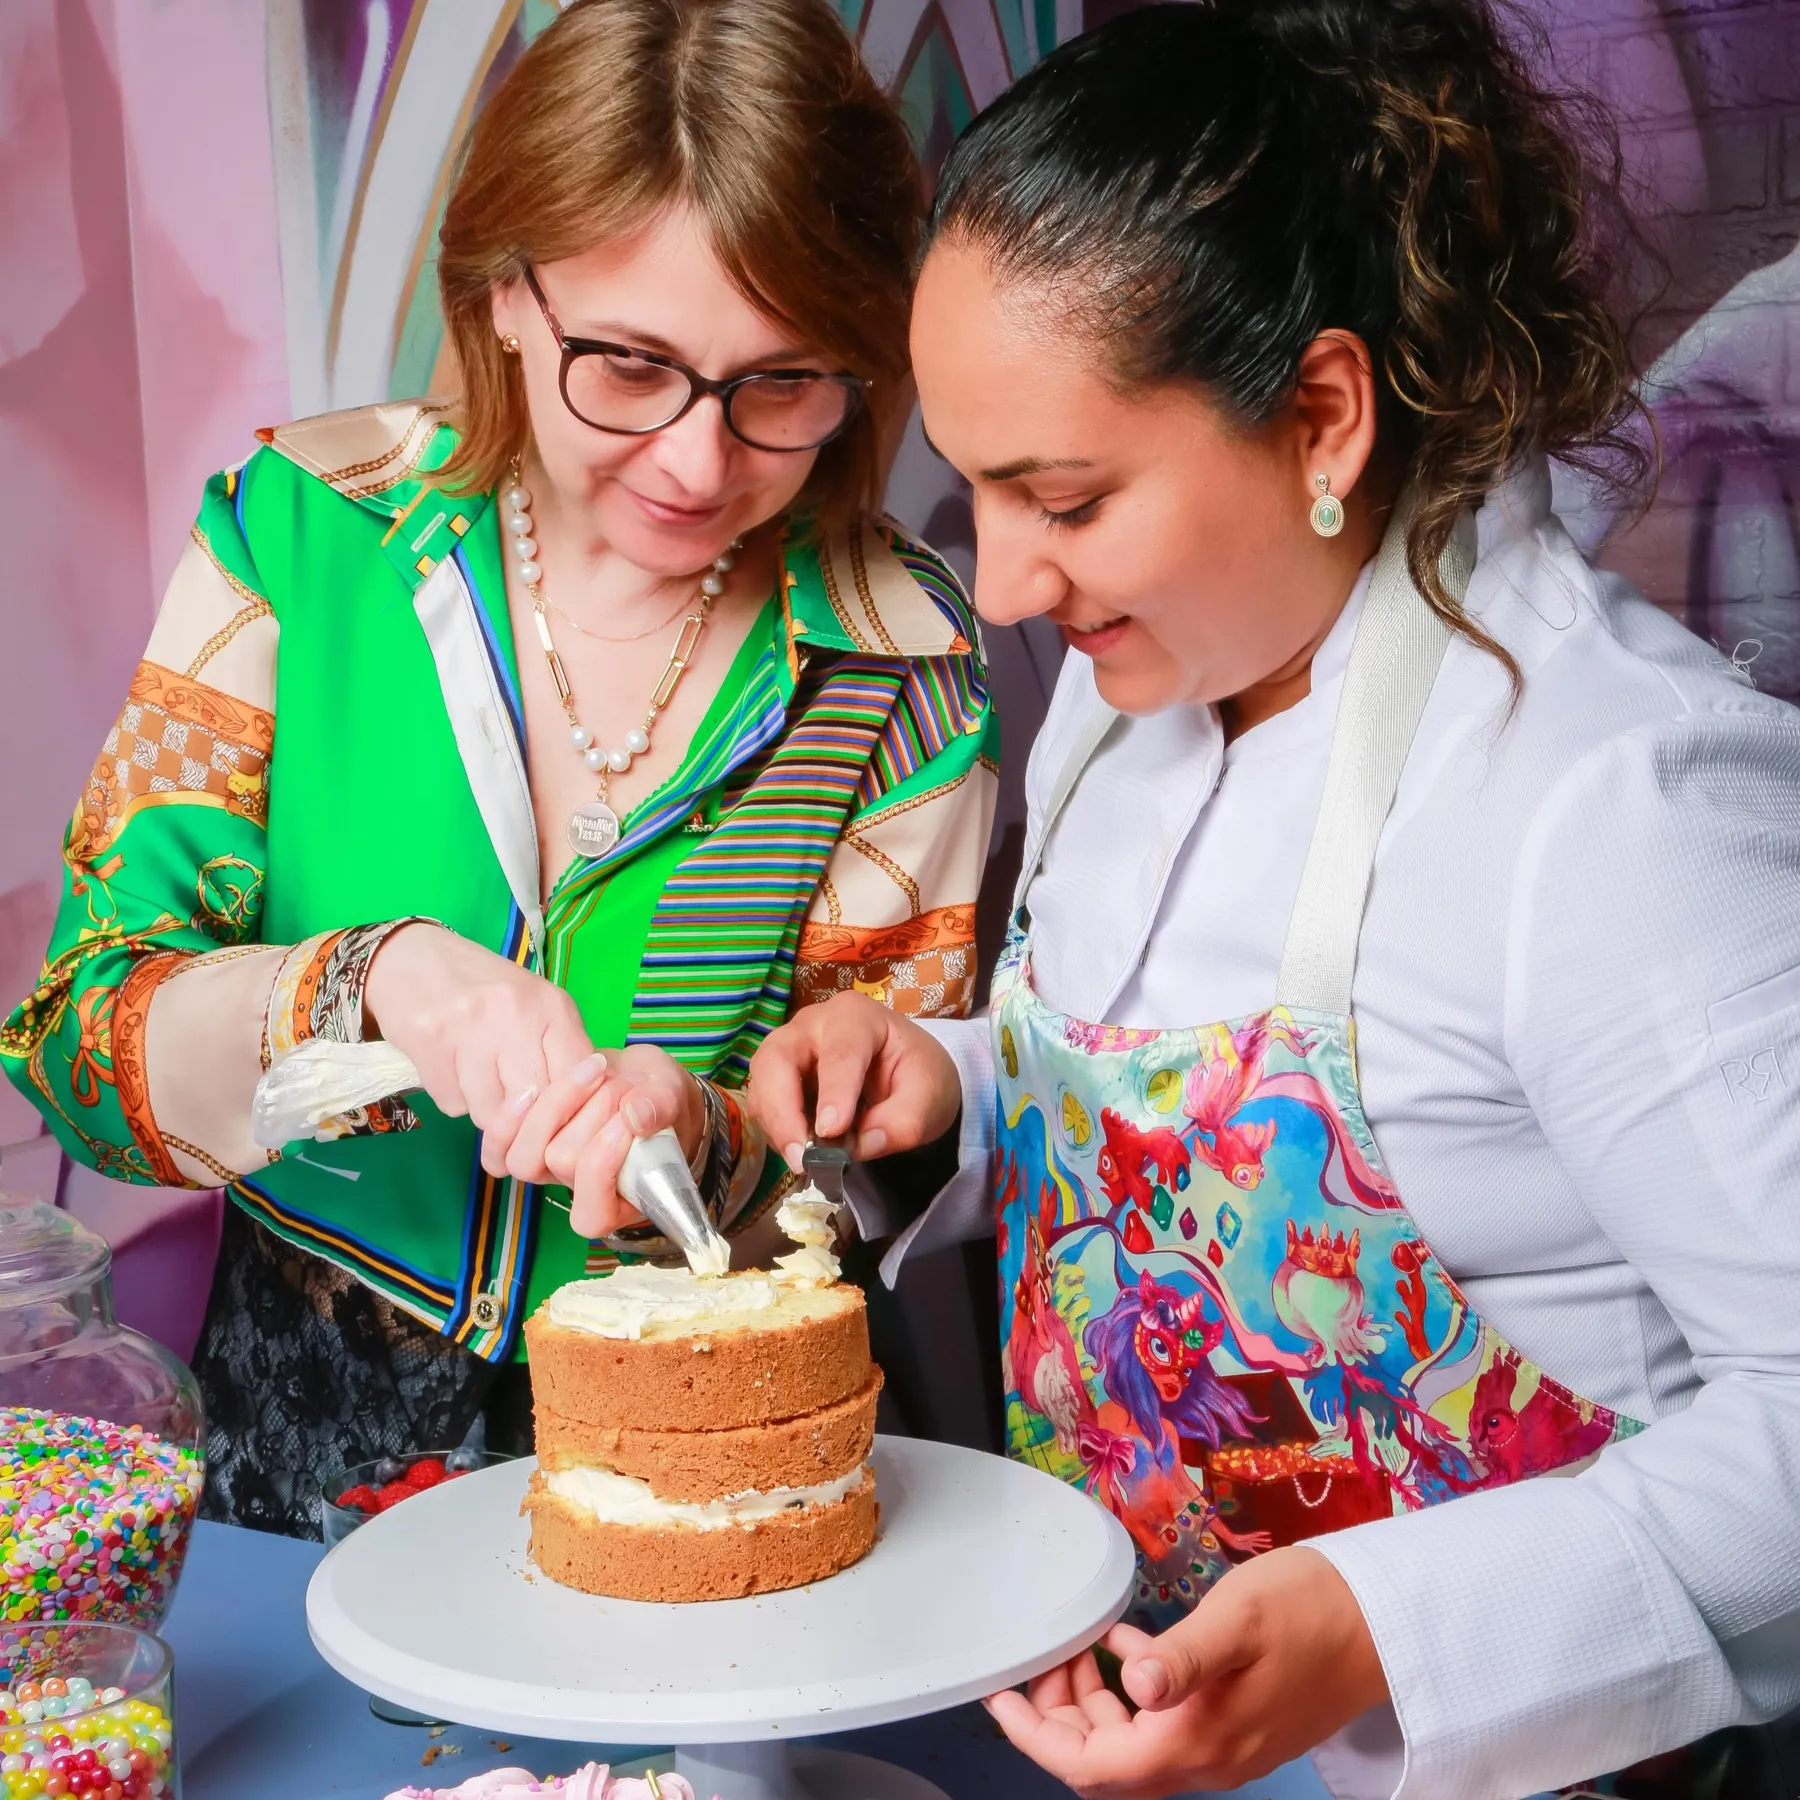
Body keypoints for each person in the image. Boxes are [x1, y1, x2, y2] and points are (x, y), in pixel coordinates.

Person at [746, 3, 1800, 1795]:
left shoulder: (1612, 805)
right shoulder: (1136, 680)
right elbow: (1161, 1105)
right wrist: (954, 1081)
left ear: (1321, 414)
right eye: (980, 486)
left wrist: (1376, 1630)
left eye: (1059, 495)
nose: (1001, 578)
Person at [0, 0, 996, 1535]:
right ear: (507, 292)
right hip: (300, 1436)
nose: (694, 461)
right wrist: (363, 985)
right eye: (629, 364)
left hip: (708, 1457)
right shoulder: (302, 538)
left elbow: (891, 1146)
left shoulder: (896, 661)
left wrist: (707, 1131)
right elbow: (81, 1051)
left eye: (782, 385)